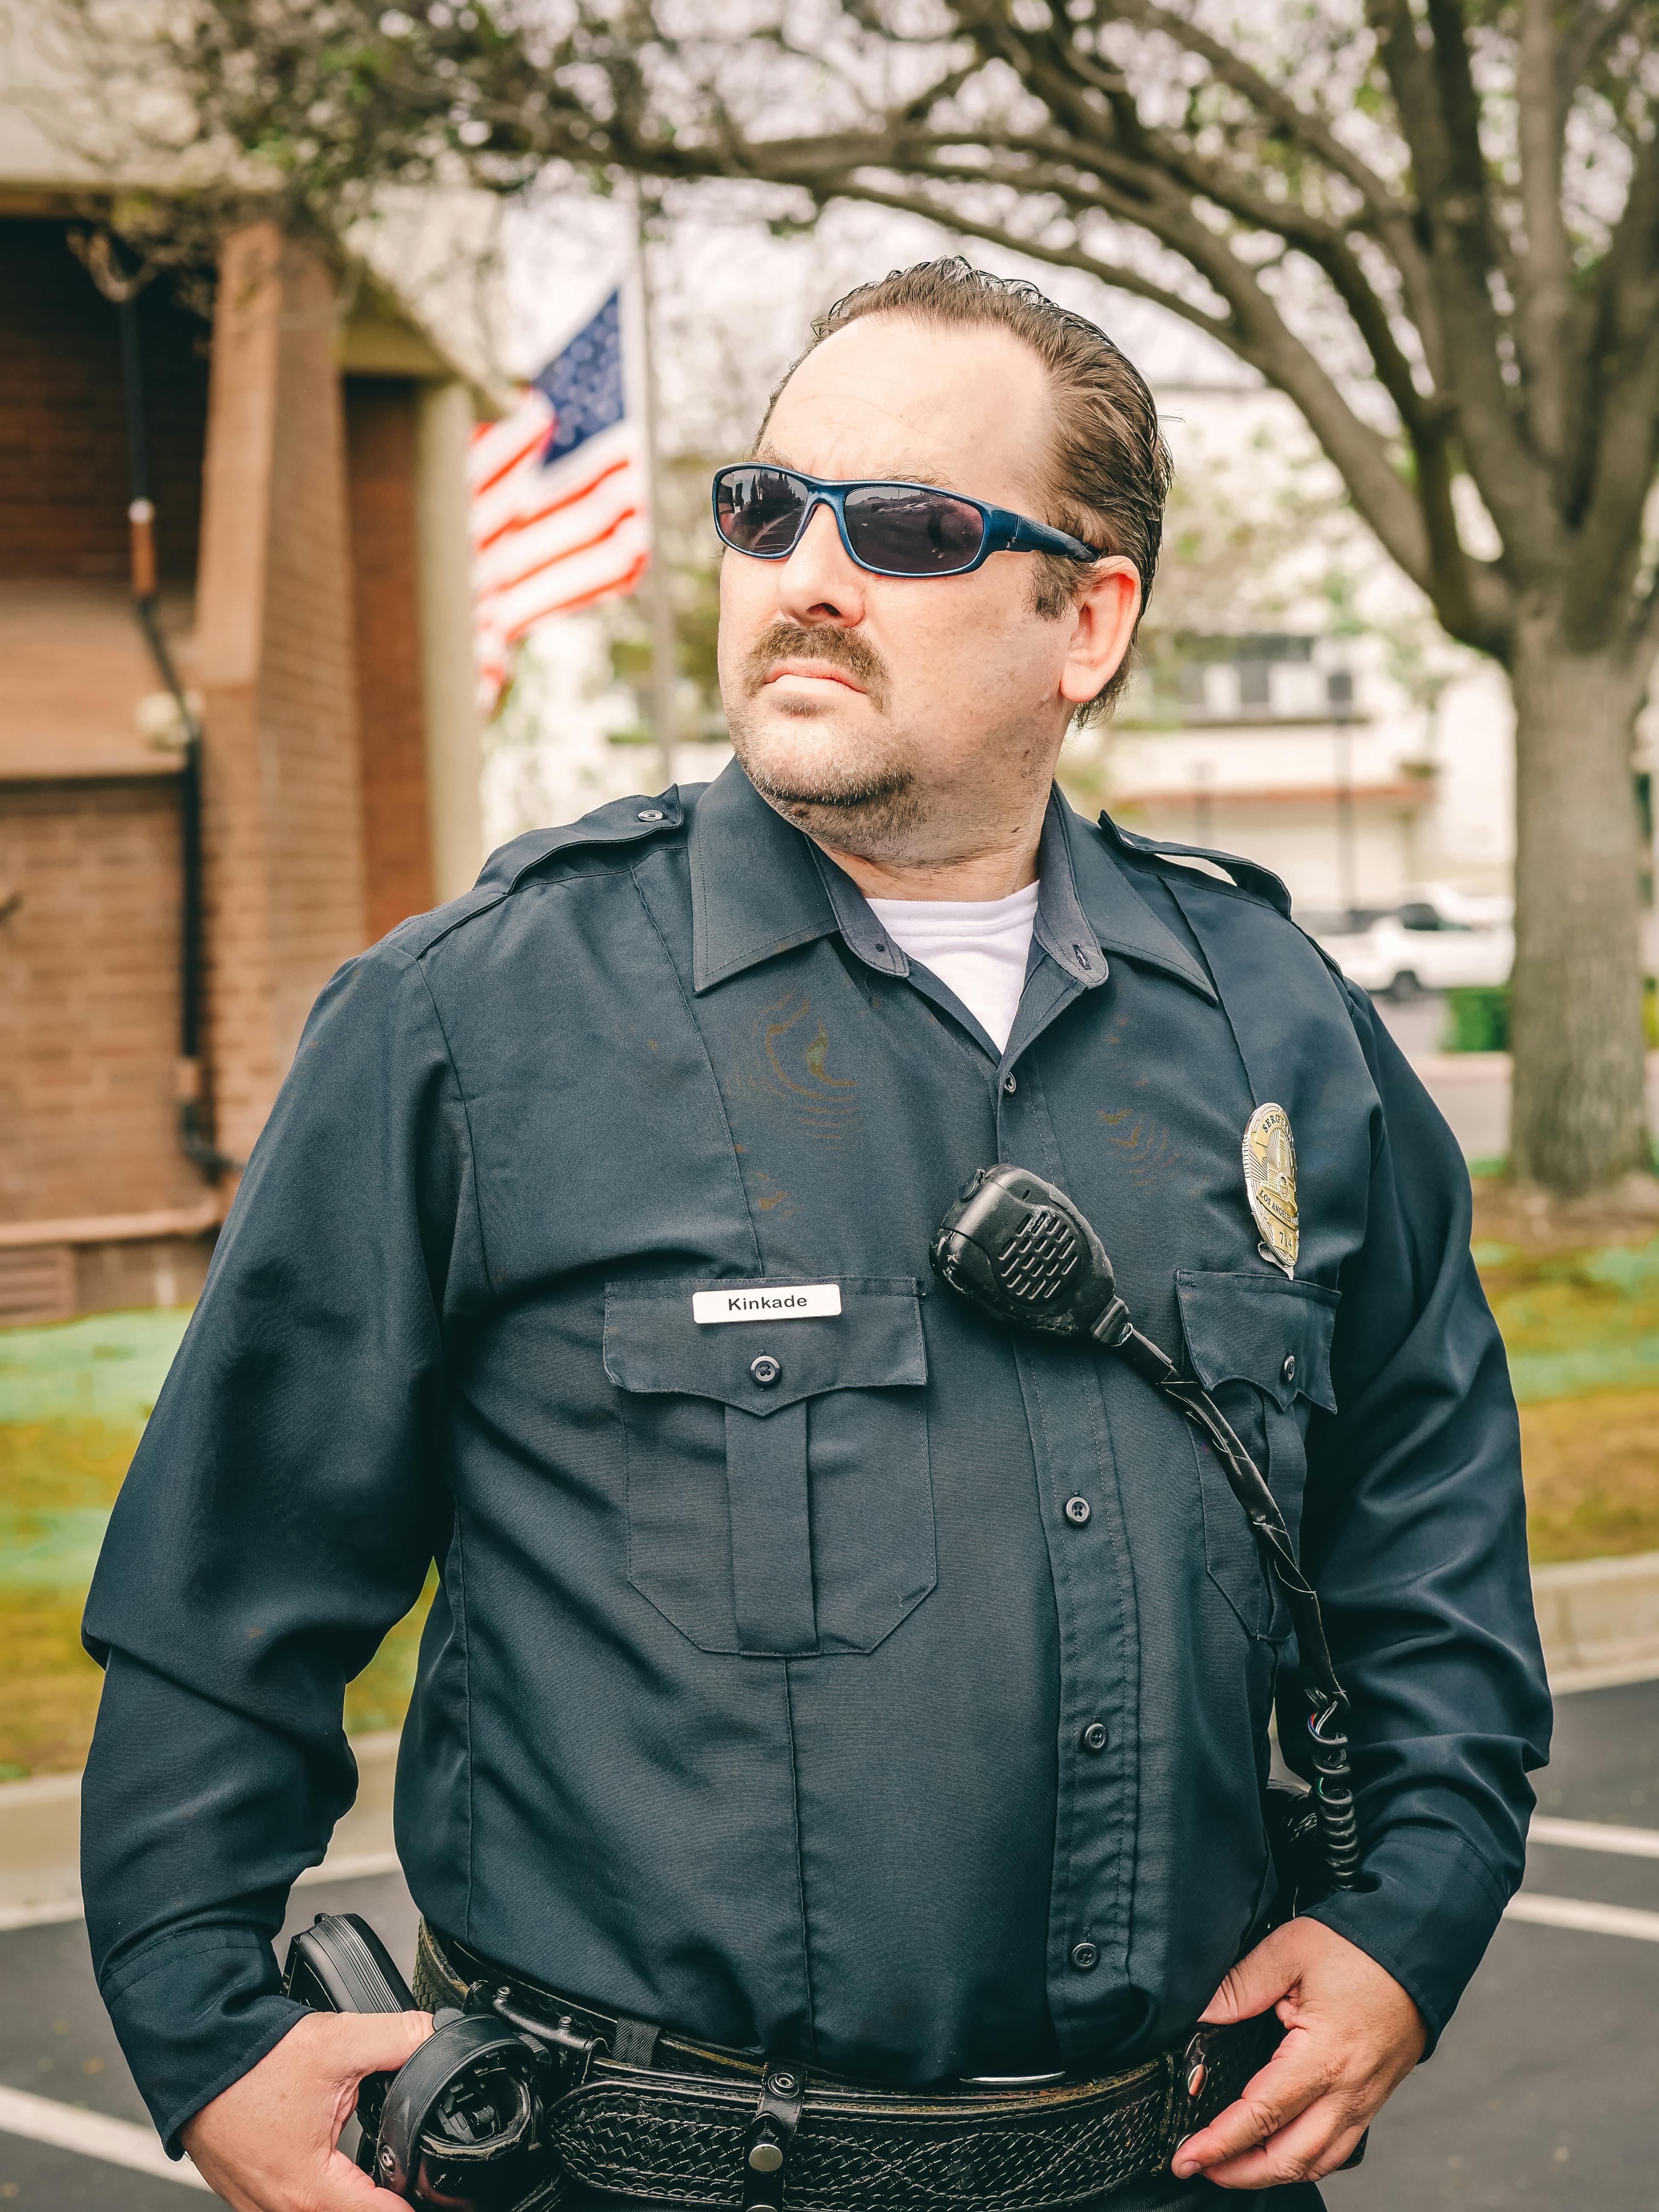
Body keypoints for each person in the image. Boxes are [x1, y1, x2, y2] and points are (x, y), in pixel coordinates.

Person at [81, 259, 1550, 2212]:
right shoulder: (474, 1024)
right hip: (653, 2178)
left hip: (1166, 2166)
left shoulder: (1284, 1030)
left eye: (915, 530)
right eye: (771, 509)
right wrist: (210, 2042)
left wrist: (1410, 1926)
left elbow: (1428, 1542)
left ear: (1085, 620)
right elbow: (222, 1593)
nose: (809, 574)